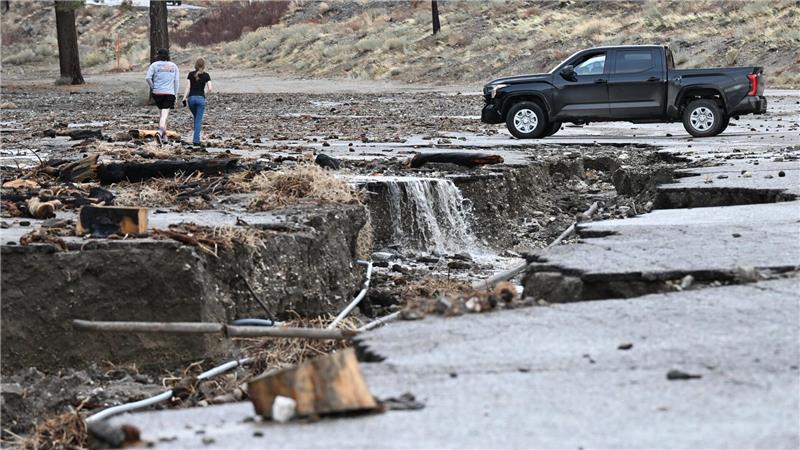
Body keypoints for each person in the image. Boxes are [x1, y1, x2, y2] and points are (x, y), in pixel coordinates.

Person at [145, 48, 179, 145]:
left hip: (157, 93)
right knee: (164, 116)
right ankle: (159, 132)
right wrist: (175, 94)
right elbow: (176, 82)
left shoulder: (154, 65)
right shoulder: (173, 66)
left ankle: (165, 137)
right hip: (169, 93)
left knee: (162, 115)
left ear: (158, 56)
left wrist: (153, 87)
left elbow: (147, 78)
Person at [181, 57, 212, 146]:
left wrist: (184, 98)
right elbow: (210, 89)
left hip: (191, 99)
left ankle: (195, 137)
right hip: (200, 99)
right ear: (204, 66)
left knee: (196, 118)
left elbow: (188, 87)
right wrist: (204, 97)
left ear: (195, 65)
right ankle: (196, 140)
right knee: (198, 120)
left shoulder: (190, 74)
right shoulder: (207, 75)